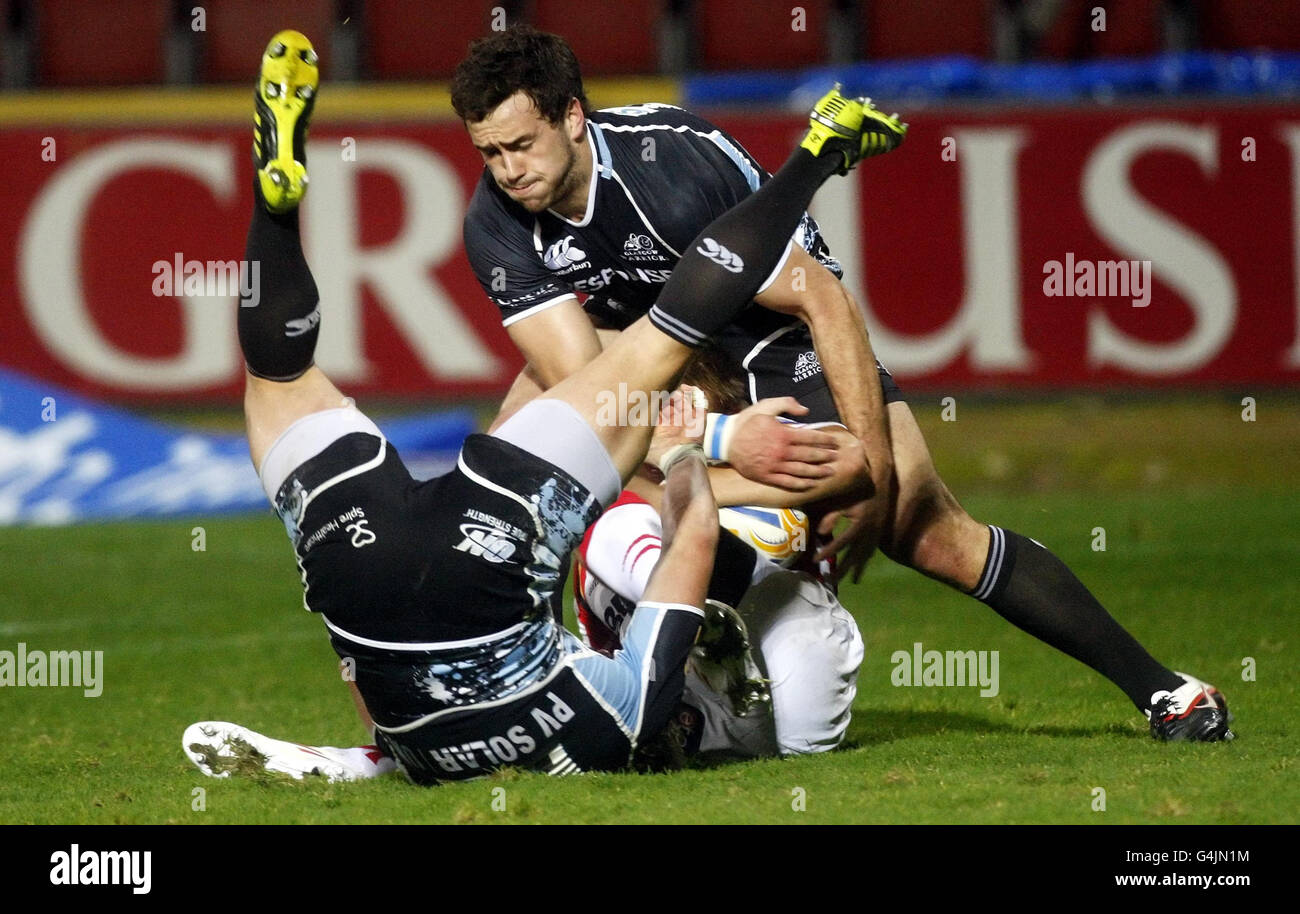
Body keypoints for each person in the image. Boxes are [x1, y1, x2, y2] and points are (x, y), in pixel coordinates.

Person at [452, 25, 1232, 741]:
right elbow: (581, 382)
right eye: (490, 153)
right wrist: (715, 439)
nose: (509, 170)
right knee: (522, 436)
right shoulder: (495, 220)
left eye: (522, 144)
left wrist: (874, 468)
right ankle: (534, 678)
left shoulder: (673, 166)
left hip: (780, 339)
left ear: (574, 118)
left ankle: (1168, 692)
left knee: (922, 528)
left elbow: (821, 296)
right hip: (662, 364)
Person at [185, 30, 888, 784]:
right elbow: (365, 670)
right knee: (280, 378)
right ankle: (276, 215)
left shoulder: (623, 713)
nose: (508, 169)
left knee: (661, 332)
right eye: (493, 152)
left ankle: (814, 157)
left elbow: (690, 538)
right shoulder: (618, 719)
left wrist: (692, 450)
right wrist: (698, 444)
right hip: (379, 601)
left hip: (484, 536)